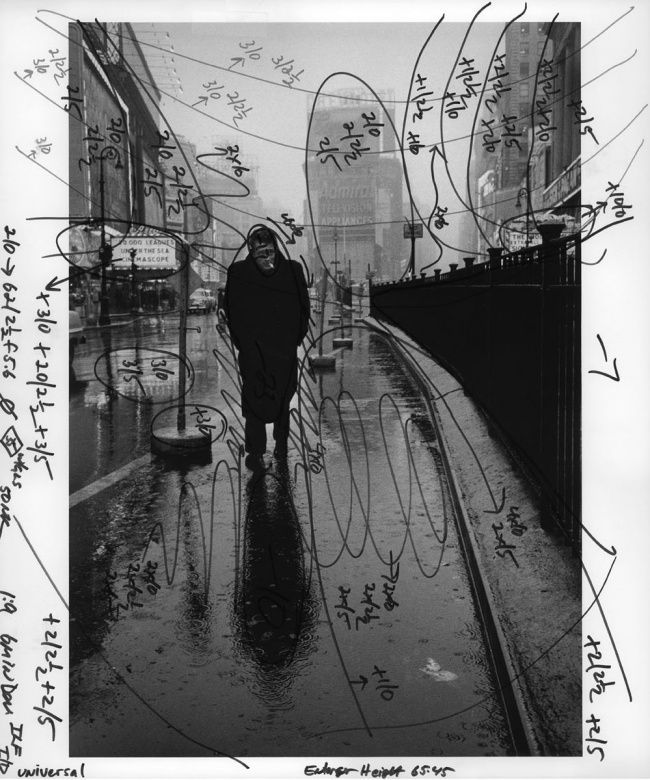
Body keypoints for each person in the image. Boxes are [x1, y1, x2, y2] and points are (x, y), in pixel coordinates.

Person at [225, 226, 310, 470]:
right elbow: (232, 312)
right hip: (254, 352)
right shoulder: (238, 273)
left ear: (276, 249)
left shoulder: (293, 271)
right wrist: (244, 344)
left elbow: (303, 310)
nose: (267, 258)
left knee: (283, 397)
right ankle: (256, 450)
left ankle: (280, 443)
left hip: (282, 349)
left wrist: (293, 339)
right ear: (252, 252)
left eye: (270, 252)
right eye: (261, 253)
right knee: (254, 400)